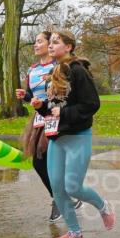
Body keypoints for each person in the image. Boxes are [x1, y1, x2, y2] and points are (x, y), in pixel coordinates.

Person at [32, 30, 114, 238]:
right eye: (50, 42)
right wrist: (41, 107)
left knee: (72, 187)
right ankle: (74, 231)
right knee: (57, 188)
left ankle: (103, 206)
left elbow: (92, 104)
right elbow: (54, 108)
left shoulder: (78, 71)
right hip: (56, 137)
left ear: (68, 47)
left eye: (56, 42)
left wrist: (64, 113)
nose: (50, 46)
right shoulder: (55, 71)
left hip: (78, 136)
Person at [16, 31, 81, 223]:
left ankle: (64, 197)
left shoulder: (58, 66)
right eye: (35, 42)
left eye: (39, 41)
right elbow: (32, 95)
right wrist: (26, 97)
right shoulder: (32, 70)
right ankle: (60, 197)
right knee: (38, 162)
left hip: (56, 116)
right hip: (38, 119)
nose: (36, 45)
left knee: (51, 160)